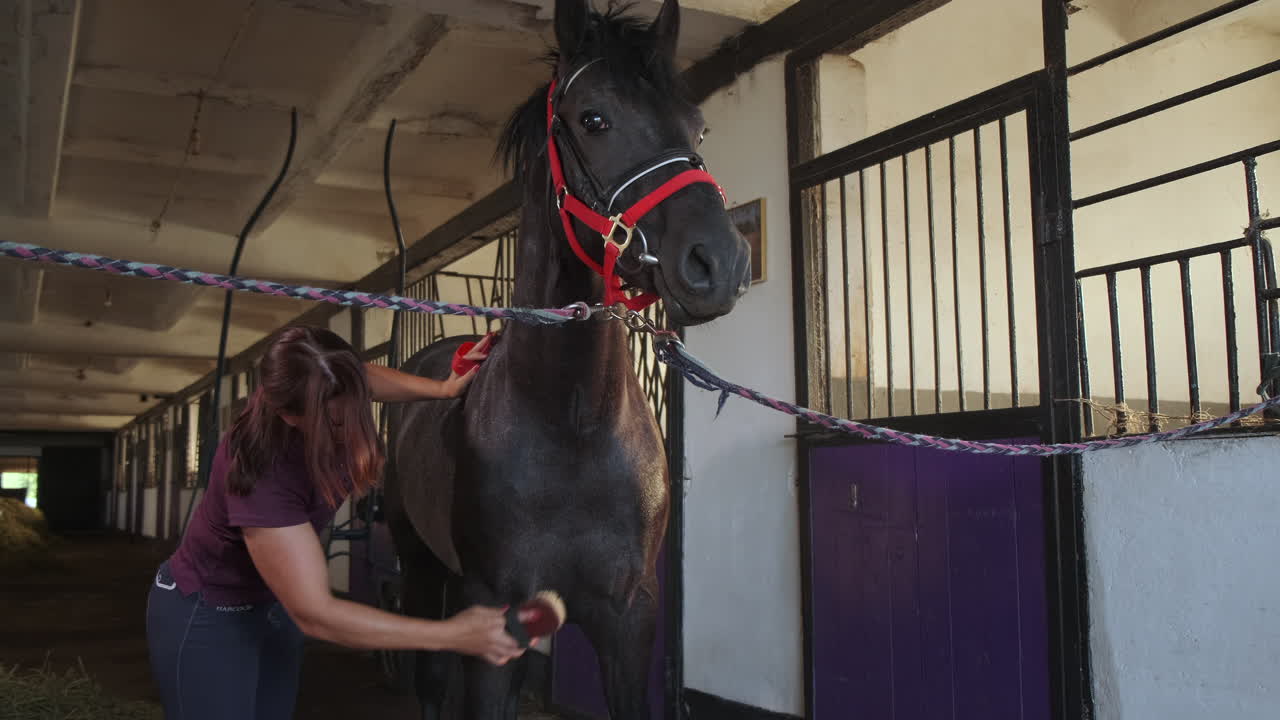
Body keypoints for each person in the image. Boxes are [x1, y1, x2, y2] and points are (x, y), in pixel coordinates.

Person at [145, 325, 515, 720]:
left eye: (358, 408)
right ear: (288, 415)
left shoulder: (311, 384)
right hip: (210, 612)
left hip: (271, 607)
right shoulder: (262, 472)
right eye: (337, 423)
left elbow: (363, 376)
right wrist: (454, 634)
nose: (353, 431)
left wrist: (441, 389)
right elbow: (316, 614)